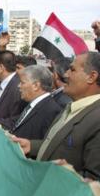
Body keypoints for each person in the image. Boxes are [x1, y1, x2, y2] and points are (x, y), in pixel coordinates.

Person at [12, 52, 100, 181]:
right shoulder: (71, 107)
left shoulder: (96, 118)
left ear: (91, 77)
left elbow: (94, 181)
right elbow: (59, 144)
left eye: (72, 69)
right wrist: (31, 146)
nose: (65, 74)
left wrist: (61, 175)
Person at [10, 65, 62, 140]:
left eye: (22, 83)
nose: (19, 86)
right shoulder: (32, 104)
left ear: (36, 86)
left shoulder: (51, 111)